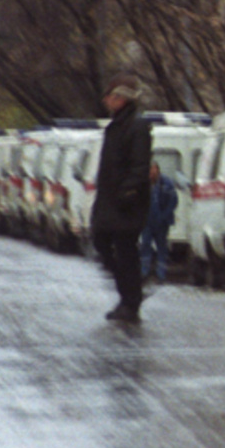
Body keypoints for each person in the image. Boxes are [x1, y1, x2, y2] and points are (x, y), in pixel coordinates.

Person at [92, 72, 152, 323]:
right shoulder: (115, 125)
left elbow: (140, 166)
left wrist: (127, 193)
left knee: (125, 251)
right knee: (101, 242)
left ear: (121, 99)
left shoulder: (136, 126)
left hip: (127, 203)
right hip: (109, 201)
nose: (106, 100)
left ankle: (130, 302)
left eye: (110, 96)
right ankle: (131, 291)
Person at [140, 161, 177, 284]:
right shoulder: (143, 184)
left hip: (162, 222)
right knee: (145, 245)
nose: (151, 173)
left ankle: (161, 273)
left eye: (153, 170)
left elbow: (173, 201)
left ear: (158, 170)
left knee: (162, 247)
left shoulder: (166, 183)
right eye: (150, 170)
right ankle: (144, 271)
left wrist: (164, 215)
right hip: (147, 221)